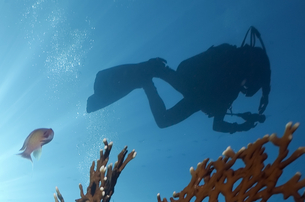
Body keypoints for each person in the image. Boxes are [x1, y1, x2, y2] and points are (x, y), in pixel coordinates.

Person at [86, 26, 270, 134]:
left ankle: (149, 77)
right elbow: (218, 124)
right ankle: (152, 74)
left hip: (196, 93)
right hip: (196, 89)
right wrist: (241, 126)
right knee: (164, 118)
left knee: (163, 120)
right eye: (251, 85)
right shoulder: (233, 79)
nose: (247, 89)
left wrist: (242, 124)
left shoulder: (233, 83)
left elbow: (217, 124)